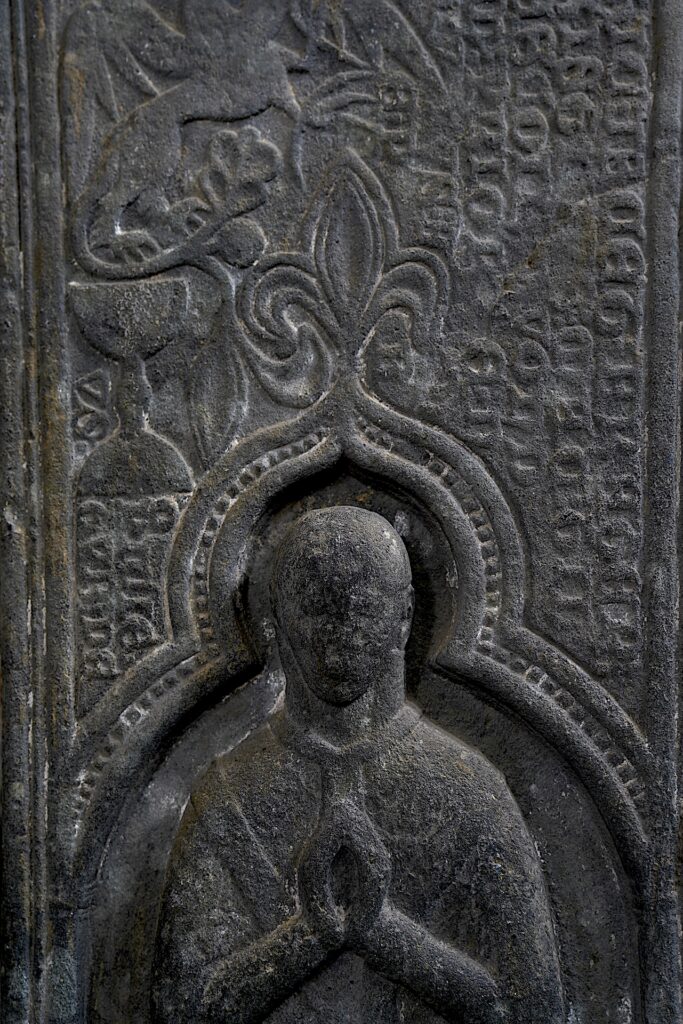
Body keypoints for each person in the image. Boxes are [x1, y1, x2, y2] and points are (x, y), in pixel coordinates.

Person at [153, 507, 565, 1023]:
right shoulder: (230, 792)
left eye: (363, 608)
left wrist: (386, 936)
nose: (340, 631)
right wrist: (309, 935)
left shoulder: (471, 792)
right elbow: (181, 1007)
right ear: (276, 618)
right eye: (317, 609)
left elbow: (532, 1007)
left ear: (404, 615)